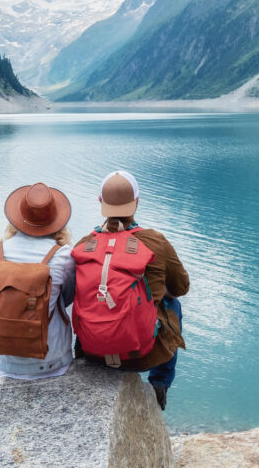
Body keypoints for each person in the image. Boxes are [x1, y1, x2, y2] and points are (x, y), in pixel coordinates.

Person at [74, 171, 189, 410]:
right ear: (137, 202)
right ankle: (160, 383)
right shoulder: (155, 241)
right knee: (173, 305)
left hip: (92, 353)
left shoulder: (84, 245)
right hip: (141, 355)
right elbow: (181, 287)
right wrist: (159, 289)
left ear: (100, 202)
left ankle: (82, 362)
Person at [0, 182, 76, 380]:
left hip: (2, 360)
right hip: (50, 362)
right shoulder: (64, 255)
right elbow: (68, 297)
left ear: (18, 218)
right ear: (56, 220)